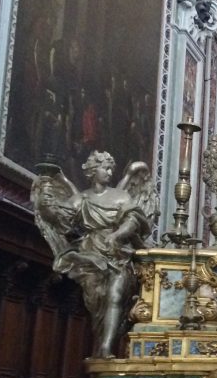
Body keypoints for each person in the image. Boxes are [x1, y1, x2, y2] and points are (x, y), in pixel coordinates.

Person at [32, 151, 157, 359]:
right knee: (97, 300)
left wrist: (118, 234)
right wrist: (45, 199)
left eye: (111, 168)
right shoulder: (81, 198)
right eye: (104, 168)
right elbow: (61, 218)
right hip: (91, 253)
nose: (109, 172)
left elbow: (134, 219)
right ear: (92, 171)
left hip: (118, 253)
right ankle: (100, 344)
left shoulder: (121, 196)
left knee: (116, 295)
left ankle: (106, 347)